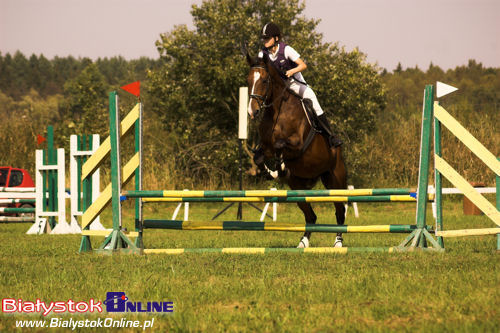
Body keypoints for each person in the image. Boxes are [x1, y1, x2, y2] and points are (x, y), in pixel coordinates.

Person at [258, 22, 342, 147]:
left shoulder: (286, 50)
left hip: (293, 83)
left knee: (312, 99)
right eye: (263, 38)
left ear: (276, 38)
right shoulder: (263, 53)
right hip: (277, 87)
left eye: (267, 38)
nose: (264, 41)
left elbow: (303, 65)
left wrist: (292, 71)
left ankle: (330, 136)